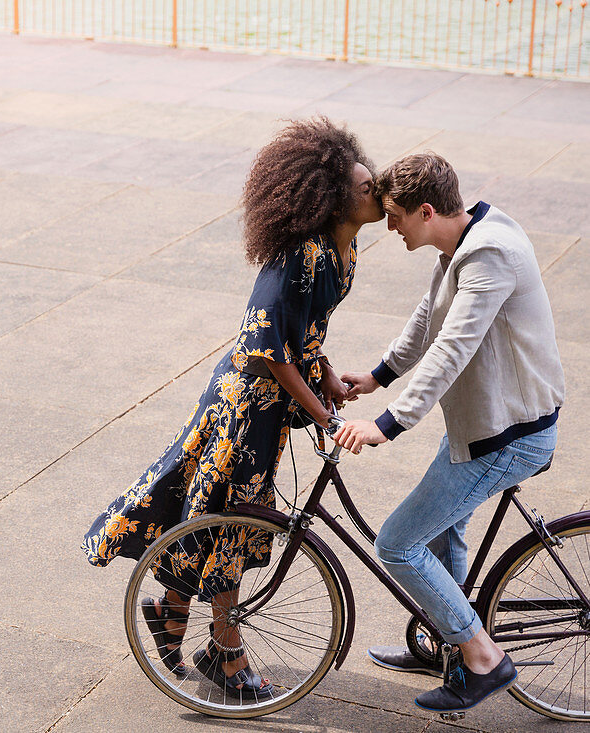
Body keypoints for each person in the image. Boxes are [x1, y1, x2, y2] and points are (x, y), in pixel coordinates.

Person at [81, 116, 384, 700]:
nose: (376, 194)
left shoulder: (345, 252)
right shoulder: (301, 252)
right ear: (330, 197)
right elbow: (267, 342)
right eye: (365, 187)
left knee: (215, 512)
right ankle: (225, 649)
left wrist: (328, 381)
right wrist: (324, 416)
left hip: (274, 404)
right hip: (245, 405)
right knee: (234, 524)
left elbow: (305, 334)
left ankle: (170, 613)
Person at [333, 152, 565, 714]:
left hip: (507, 436)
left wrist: (388, 423)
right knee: (440, 537)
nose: (389, 228)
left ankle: (482, 658)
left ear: (427, 210)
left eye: (395, 217)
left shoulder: (490, 254)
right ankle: (449, 644)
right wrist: (377, 375)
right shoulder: (465, 240)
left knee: (397, 543)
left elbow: (452, 348)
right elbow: (427, 317)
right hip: (481, 425)